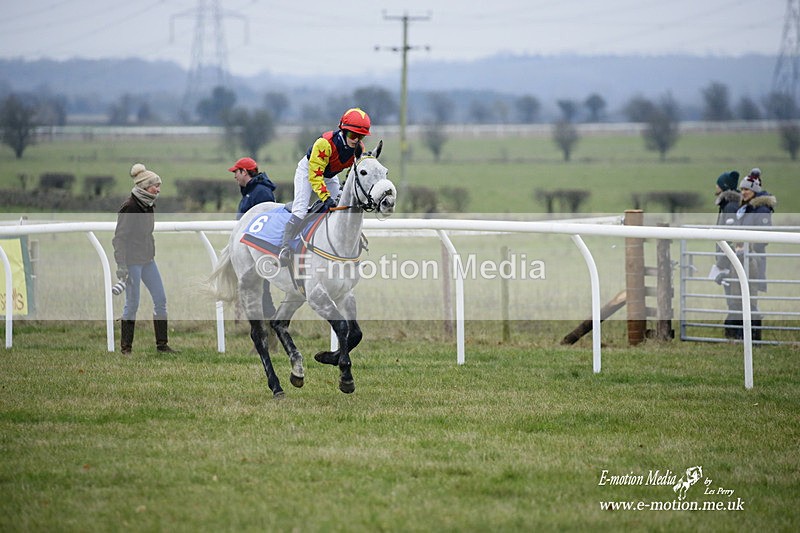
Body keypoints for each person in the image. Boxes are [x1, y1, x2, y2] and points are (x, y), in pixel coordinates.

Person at [278, 107, 371, 265]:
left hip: (329, 174)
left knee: (340, 207)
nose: (356, 139)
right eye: (352, 135)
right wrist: (325, 197)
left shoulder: (359, 149)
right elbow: (315, 176)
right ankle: (284, 248)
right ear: (343, 130)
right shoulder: (324, 144)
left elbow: (352, 173)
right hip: (309, 172)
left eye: (360, 136)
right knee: (300, 209)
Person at [112, 163, 177, 354]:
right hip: (132, 262)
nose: (158, 189)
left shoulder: (148, 204)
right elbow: (119, 238)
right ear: (144, 186)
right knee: (132, 304)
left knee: (160, 299)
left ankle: (162, 345)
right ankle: (126, 348)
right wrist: (121, 264)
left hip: (148, 260)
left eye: (158, 185)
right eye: (155, 185)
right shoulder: (130, 207)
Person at [728, 175, 777, 341]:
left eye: (746, 189)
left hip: (752, 259)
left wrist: (746, 245)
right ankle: (743, 335)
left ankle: (753, 337)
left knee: (751, 298)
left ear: (754, 190)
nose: (743, 192)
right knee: (741, 296)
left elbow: (763, 237)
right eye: (742, 189)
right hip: (743, 257)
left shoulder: (761, 210)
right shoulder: (746, 208)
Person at [229, 156, 277, 318]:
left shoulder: (261, 192)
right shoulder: (252, 191)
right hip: (249, 250)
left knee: (262, 293)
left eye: (236, 172)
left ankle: (273, 327)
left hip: (257, 251)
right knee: (258, 292)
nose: (234, 176)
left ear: (244, 172)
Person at [711, 170, 742, 338]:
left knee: (734, 299)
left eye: (718, 183)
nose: (715, 186)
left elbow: (728, 236)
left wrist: (721, 263)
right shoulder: (728, 205)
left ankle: (736, 335)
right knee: (734, 299)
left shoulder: (729, 207)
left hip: (730, 261)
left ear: (723, 187)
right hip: (729, 260)